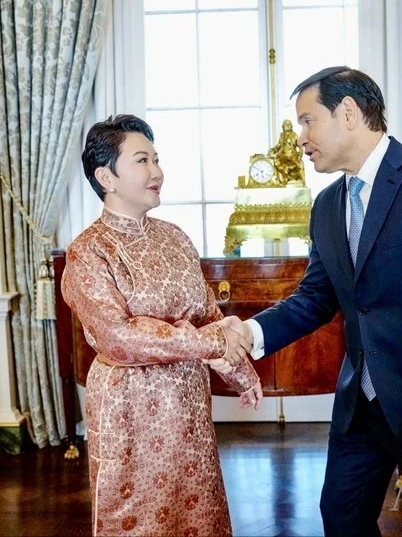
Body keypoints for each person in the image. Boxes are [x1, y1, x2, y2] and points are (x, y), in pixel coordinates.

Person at [225, 67, 402, 536]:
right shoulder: (325, 205)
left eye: (308, 121)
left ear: (349, 113)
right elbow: (316, 298)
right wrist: (249, 332)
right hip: (359, 407)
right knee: (341, 519)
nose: (300, 138)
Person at [61, 114, 264, 537]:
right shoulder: (89, 251)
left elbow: (207, 314)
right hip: (129, 406)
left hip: (188, 403)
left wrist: (241, 372)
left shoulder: (175, 237)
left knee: (198, 510)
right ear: (106, 177)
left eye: (156, 159)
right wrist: (212, 344)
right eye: (142, 161)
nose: (157, 172)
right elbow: (118, 337)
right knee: (139, 517)